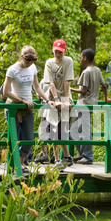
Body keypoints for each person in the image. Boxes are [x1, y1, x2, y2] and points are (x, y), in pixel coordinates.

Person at [3, 45, 52, 172]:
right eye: (27, 60)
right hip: (14, 107)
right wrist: (22, 101)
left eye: (33, 60)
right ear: (21, 57)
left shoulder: (33, 68)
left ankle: (21, 163)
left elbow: (37, 87)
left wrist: (48, 100)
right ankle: (14, 165)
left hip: (28, 108)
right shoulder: (12, 70)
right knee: (14, 139)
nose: (30, 63)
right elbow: (6, 91)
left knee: (29, 139)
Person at [38, 39, 76, 170]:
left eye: (60, 52)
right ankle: (60, 158)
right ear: (52, 50)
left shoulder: (68, 61)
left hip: (64, 94)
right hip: (52, 97)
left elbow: (67, 82)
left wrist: (65, 100)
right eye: (55, 52)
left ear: (64, 52)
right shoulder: (49, 63)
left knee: (61, 126)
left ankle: (65, 156)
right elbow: (50, 83)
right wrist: (55, 99)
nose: (57, 54)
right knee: (52, 127)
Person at [70, 49, 111, 165]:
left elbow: (83, 90)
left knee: (84, 130)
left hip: (84, 104)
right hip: (92, 104)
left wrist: (68, 89)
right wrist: (105, 99)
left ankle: (88, 157)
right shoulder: (97, 70)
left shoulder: (86, 72)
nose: (80, 59)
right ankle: (82, 154)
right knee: (74, 130)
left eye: (80, 57)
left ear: (84, 58)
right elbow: (104, 86)